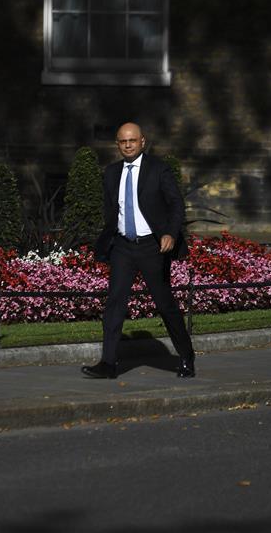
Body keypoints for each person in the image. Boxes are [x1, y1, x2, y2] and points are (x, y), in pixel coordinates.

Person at [81, 122, 196, 379]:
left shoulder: (158, 169)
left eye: (132, 140)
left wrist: (169, 233)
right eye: (123, 141)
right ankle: (108, 364)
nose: (128, 145)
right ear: (117, 144)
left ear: (142, 141)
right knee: (114, 303)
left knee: (164, 304)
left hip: (152, 247)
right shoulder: (111, 173)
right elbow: (112, 211)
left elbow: (176, 204)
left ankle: (186, 356)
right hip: (122, 246)